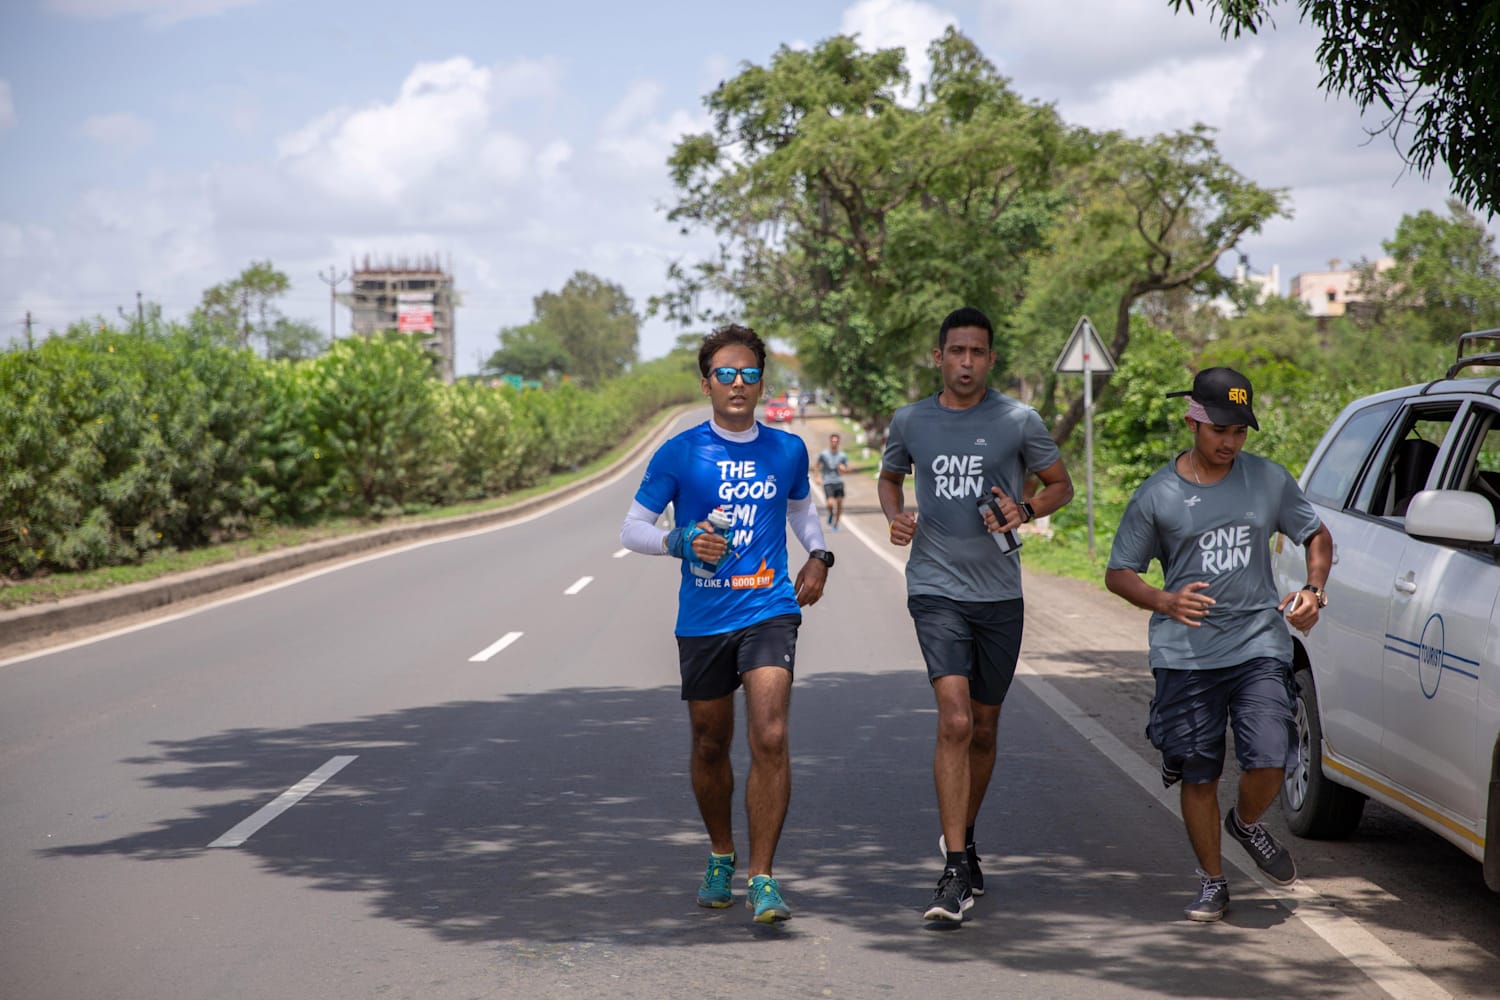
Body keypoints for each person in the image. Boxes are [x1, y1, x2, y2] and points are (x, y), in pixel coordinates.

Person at [618, 323, 835, 924]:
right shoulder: (680, 452)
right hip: (703, 617)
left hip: (769, 609)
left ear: (762, 383)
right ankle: (721, 854)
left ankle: (763, 878)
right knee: (710, 742)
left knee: (770, 734)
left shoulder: (787, 450)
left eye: (749, 374)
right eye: (725, 374)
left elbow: (801, 511)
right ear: (707, 383)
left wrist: (819, 555)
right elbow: (631, 529)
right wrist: (679, 541)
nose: (738, 384)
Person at [1104, 367, 1333, 923]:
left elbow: (1316, 535)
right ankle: (1212, 880)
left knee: (1272, 753)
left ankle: (1246, 824)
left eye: (1239, 431)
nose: (1230, 442)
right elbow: (1119, 572)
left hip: (1258, 642)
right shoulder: (1157, 494)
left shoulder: (1268, 480)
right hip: (1186, 655)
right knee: (1199, 771)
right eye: (1219, 430)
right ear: (1193, 421)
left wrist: (1313, 589)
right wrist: (1164, 600)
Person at [878, 306, 1075, 922]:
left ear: (991, 359)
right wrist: (896, 516)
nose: (966, 362)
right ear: (938, 357)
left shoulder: (1019, 420)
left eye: (978, 352)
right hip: (935, 587)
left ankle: (963, 839)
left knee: (985, 728)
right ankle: (955, 868)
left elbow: (1060, 485)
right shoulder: (911, 420)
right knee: (957, 719)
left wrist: (1026, 510)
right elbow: (889, 478)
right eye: (956, 351)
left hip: (1000, 595)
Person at [815, 433, 851, 531]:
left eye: (836, 441)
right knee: (830, 503)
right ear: (830, 441)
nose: (834, 443)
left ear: (838, 442)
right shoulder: (824, 454)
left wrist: (844, 469)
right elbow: (817, 465)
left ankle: (836, 524)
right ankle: (831, 513)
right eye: (833, 441)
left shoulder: (842, 455)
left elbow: (848, 468)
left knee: (839, 504)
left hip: (838, 482)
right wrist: (817, 477)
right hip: (828, 481)